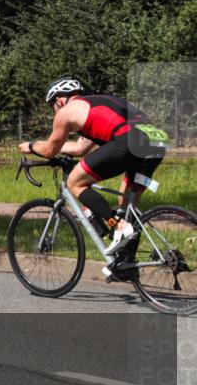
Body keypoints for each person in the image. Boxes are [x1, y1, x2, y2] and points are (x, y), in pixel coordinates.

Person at [19, 77, 169, 275]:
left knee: (74, 181)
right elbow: (80, 148)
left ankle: (119, 226)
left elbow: (49, 151)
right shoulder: (96, 103)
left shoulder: (66, 112)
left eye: (52, 105)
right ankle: (127, 263)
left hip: (128, 142)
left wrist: (30, 146)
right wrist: (51, 146)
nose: (53, 111)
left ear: (59, 100)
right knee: (126, 203)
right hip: (155, 143)